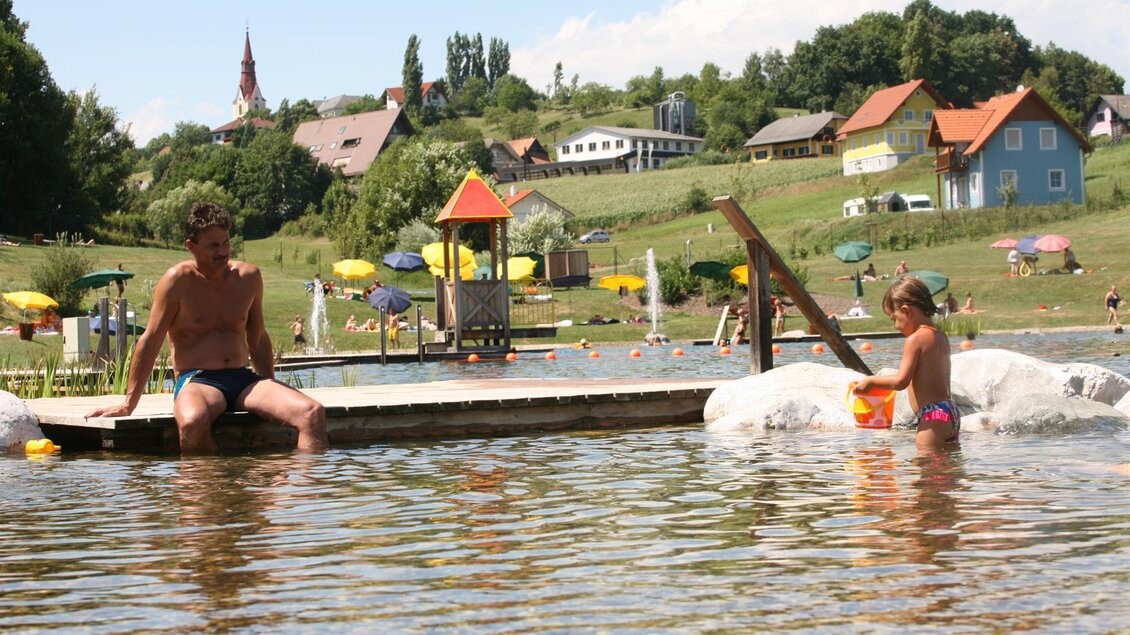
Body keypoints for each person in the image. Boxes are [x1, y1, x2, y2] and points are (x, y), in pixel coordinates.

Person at [84, 202, 327, 454]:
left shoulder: (249, 277)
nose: (223, 251)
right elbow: (151, 341)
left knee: (312, 413)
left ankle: (303, 491)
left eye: (226, 242)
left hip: (243, 378)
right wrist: (128, 403)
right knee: (192, 422)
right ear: (191, 245)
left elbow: (258, 340)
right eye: (213, 245)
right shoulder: (177, 281)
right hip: (198, 380)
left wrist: (270, 389)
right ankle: (212, 490)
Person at [853, 277, 959, 448]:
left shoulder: (915, 340)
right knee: (947, 467)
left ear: (906, 311)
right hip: (950, 412)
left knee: (925, 467)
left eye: (894, 318)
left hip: (932, 417)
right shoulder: (940, 334)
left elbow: (901, 381)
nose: (896, 326)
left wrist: (871, 381)